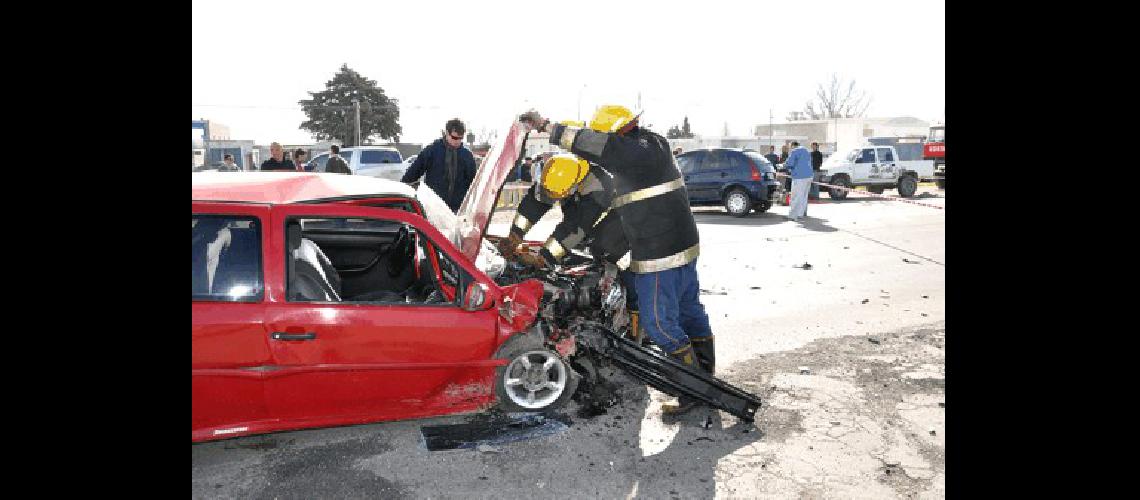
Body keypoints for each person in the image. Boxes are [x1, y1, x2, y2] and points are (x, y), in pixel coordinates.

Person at [521, 105, 715, 417]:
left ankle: (694, 390)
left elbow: (602, 148)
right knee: (689, 310)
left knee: (660, 324)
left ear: (617, 133)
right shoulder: (653, 145)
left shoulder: (633, 153)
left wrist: (548, 127)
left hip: (659, 253)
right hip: (682, 247)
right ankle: (706, 373)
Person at [498, 153, 644, 343]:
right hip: (588, 221)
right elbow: (533, 204)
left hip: (623, 224)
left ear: (574, 186)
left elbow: (573, 229)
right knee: (577, 252)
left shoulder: (598, 188)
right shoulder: (557, 174)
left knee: (617, 264)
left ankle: (635, 329)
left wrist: (543, 258)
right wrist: (514, 235)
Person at [400, 118, 477, 212]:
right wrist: (401, 192)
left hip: (457, 209)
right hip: (433, 207)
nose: (457, 141)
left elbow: (473, 183)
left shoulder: (467, 155)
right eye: (454, 137)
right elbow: (412, 173)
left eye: (460, 138)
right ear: (447, 133)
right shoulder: (432, 150)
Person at [785, 141, 813, 221]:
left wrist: (783, 165)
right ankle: (801, 214)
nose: (790, 149)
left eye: (791, 147)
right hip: (809, 176)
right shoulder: (806, 151)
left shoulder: (795, 151)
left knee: (796, 196)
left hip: (800, 177)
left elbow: (789, 164)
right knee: (804, 196)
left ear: (793, 146)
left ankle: (793, 215)